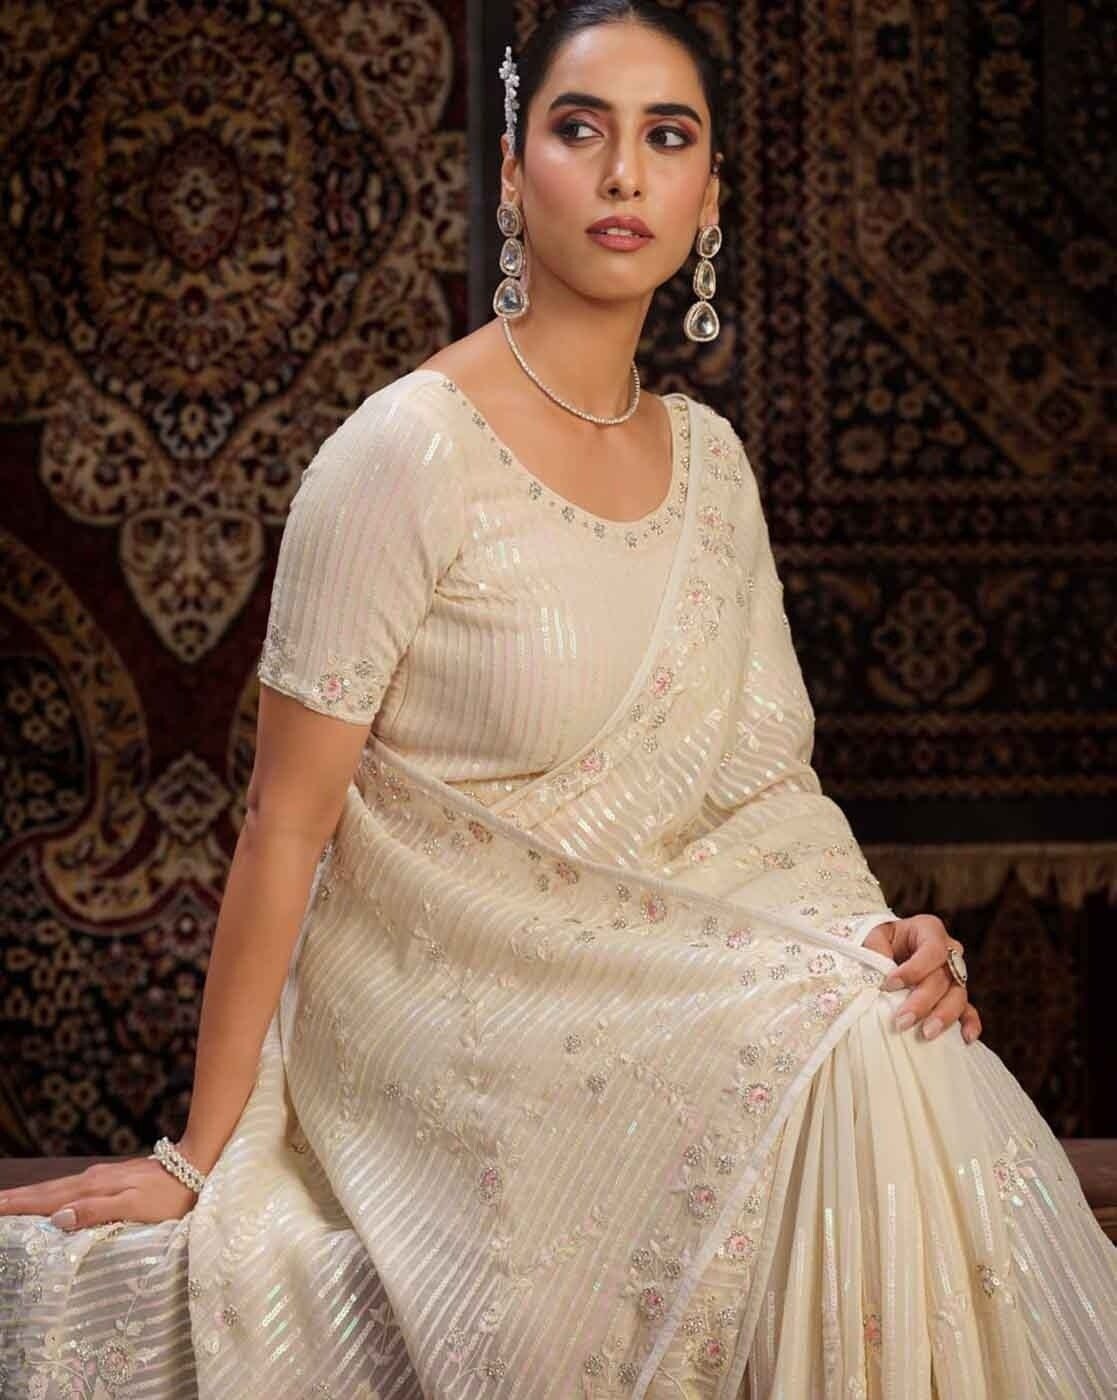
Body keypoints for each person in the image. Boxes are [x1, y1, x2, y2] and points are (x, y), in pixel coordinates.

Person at [2, 2, 1115, 1395]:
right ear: (512, 171)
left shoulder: (711, 467)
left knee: (887, 1026)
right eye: (580, 129)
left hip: (671, 982)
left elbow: (763, 789)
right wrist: (195, 1156)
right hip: (448, 1006)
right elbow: (286, 819)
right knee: (848, 1040)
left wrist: (877, 940)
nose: (624, 173)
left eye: (668, 137)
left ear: (710, 194)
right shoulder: (406, 452)